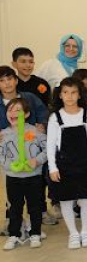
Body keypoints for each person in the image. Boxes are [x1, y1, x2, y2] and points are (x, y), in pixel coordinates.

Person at [47, 77, 87, 249]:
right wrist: (52, 168)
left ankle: (85, 231)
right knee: (66, 200)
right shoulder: (55, 117)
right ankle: (73, 233)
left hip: (85, 163)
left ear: (79, 95)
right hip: (63, 165)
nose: (69, 96)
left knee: (86, 199)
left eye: (73, 92)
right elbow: (50, 145)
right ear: (60, 95)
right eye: (65, 92)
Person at [1, 98, 47, 250]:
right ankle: (14, 234)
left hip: (33, 177)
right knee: (14, 207)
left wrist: (37, 160)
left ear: (26, 114)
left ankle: (35, 233)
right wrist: (10, 165)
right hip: (13, 178)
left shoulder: (35, 131)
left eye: (18, 110)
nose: (13, 113)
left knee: (35, 206)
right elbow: (1, 154)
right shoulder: (3, 135)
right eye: (10, 110)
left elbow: (47, 149)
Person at [0, 66, 48, 131]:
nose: (7, 83)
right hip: (5, 137)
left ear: (16, 81)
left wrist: (43, 125)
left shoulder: (30, 97)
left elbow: (43, 114)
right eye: (1, 80)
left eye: (9, 79)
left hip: (31, 135)